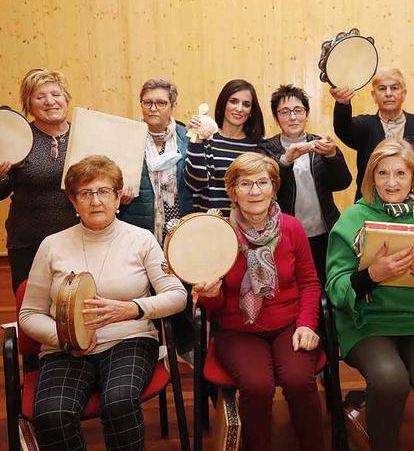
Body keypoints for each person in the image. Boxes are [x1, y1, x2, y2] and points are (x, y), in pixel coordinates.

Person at [19, 155, 187, 450]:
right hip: (65, 349)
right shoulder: (52, 245)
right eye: (85, 193)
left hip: (129, 339)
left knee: (119, 401)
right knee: (53, 413)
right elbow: (29, 313)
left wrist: (132, 309)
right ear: (73, 201)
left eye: (104, 191)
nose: (95, 201)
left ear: (118, 196)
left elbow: (177, 295)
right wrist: (67, 338)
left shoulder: (142, 239)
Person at [325, 138, 414, 451]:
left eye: (400, 174)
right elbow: (335, 288)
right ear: (371, 177)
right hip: (368, 322)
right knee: (390, 380)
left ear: (413, 177)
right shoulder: (352, 219)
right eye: (383, 173)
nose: (391, 182)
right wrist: (372, 276)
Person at [194, 152, 324, 451]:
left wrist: (306, 324)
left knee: (298, 380)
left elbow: (309, 283)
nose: (255, 191)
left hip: (288, 324)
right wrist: (211, 295)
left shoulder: (292, 228)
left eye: (263, 182)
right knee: (257, 386)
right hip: (237, 330)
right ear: (233, 192)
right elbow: (212, 307)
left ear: (274, 188)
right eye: (245, 184)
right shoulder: (219, 233)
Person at [0, 69, 79, 292]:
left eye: (56, 94)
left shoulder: (85, 135)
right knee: (31, 305)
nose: (50, 101)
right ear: (29, 104)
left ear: (66, 99)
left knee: (76, 305)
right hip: (29, 241)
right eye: (40, 96)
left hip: (79, 240)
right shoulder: (16, 137)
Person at [119, 78, 196, 365]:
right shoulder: (127, 137)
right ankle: (149, 347)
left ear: (173, 106)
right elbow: (113, 177)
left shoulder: (189, 136)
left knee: (181, 285)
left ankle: (185, 344)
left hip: (180, 225)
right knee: (144, 286)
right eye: (147, 102)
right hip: (140, 224)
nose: (153, 107)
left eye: (161, 102)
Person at [258, 84, 352, 283]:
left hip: (323, 232)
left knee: (323, 285)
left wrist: (332, 156)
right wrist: (285, 160)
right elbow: (266, 191)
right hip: (282, 235)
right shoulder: (266, 149)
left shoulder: (320, 144)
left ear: (306, 114)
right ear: (276, 118)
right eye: (285, 112)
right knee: (291, 285)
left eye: (298, 110)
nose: (293, 117)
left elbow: (343, 183)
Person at [330, 66, 414, 200]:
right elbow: (343, 128)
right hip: (372, 207)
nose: (388, 93)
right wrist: (342, 104)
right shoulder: (364, 126)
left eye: (394, 88)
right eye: (382, 88)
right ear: (374, 96)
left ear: (404, 94)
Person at [185, 79, 265, 216]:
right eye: (233, 101)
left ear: (251, 111)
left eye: (246, 104)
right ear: (223, 104)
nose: (239, 109)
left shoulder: (258, 145)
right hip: (209, 225)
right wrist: (197, 138)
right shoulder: (206, 138)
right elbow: (194, 184)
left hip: (247, 227)